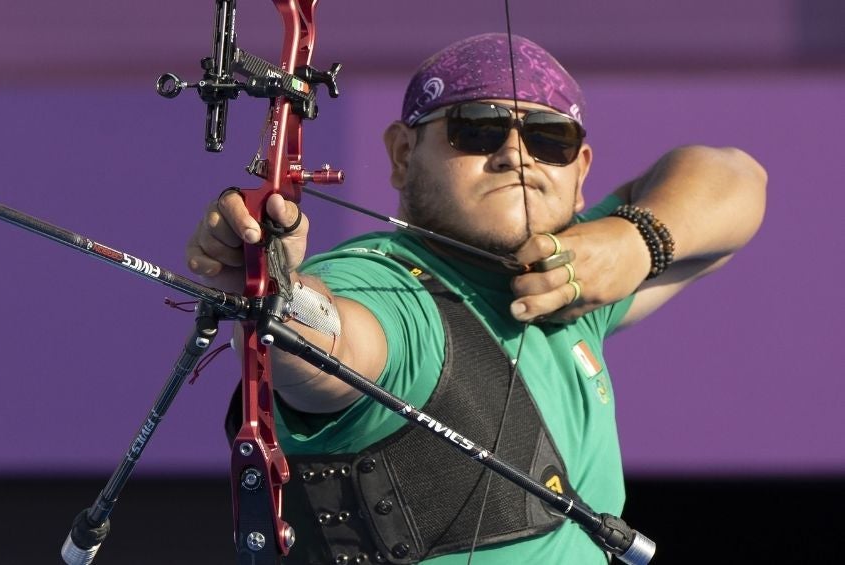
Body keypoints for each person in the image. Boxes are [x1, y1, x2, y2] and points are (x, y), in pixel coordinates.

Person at [186, 33, 766, 564]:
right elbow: (326, 347)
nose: (517, 154)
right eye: (477, 129)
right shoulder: (387, 286)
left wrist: (637, 241)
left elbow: (738, 178)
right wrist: (275, 285)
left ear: (580, 169)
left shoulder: (571, 280)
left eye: (549, 139)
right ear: (402, 155)